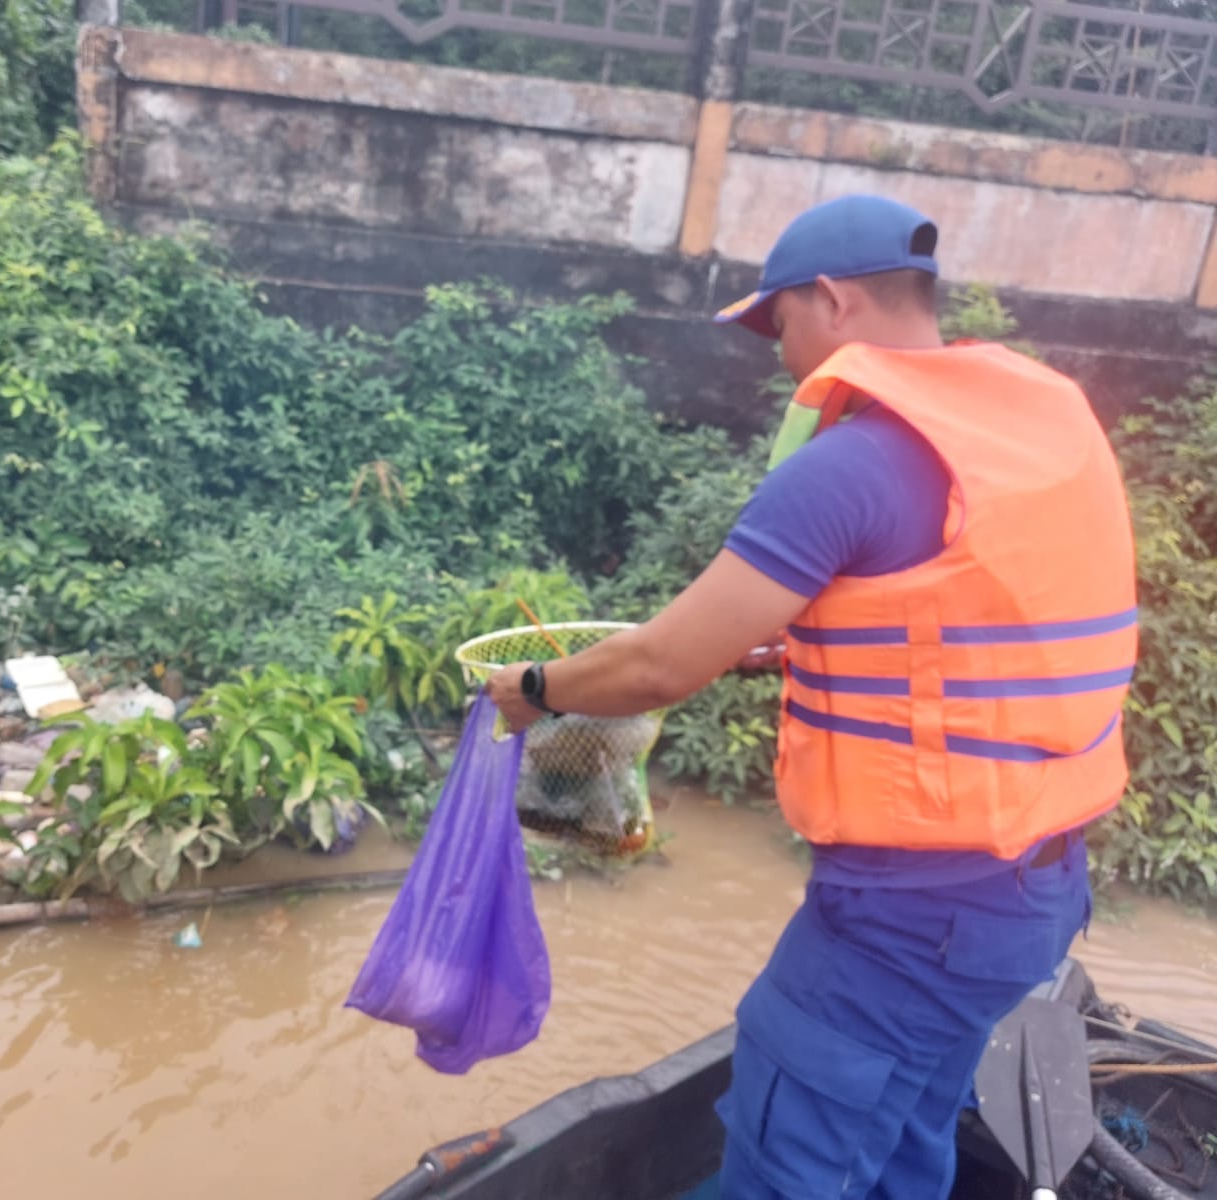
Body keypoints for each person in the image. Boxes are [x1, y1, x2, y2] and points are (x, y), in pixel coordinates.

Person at [483, 193, 1138, 1199]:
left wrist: (534, 690)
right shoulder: (1042, 435)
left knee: (784, 1166)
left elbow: (659, 665)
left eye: (779, 325)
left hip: (905, 922)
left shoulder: (851, 464)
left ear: (831, 300)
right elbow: (979, 637)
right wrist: (807, 649)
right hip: (1035, 895)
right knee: (908, 1138)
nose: (782, 358)